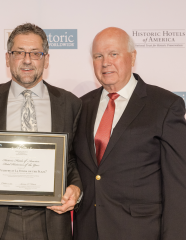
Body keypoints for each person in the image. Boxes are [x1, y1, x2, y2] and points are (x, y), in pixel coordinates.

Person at [0, 23, 82, 240]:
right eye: (19, 53)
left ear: (46, 59)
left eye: (35, 53)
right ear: (7, 58)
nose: (27, 60)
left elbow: (72, 159)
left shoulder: (69, 103)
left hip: (51, 221)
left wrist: (75, 188)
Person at [73, 27, 186, 240]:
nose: (106, 62)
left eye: (113, 54)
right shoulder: (81, 105)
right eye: (98, 56)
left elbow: (179, 186)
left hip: (141, 232)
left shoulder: (165, 105)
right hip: (88, 231)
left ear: (132, 57)